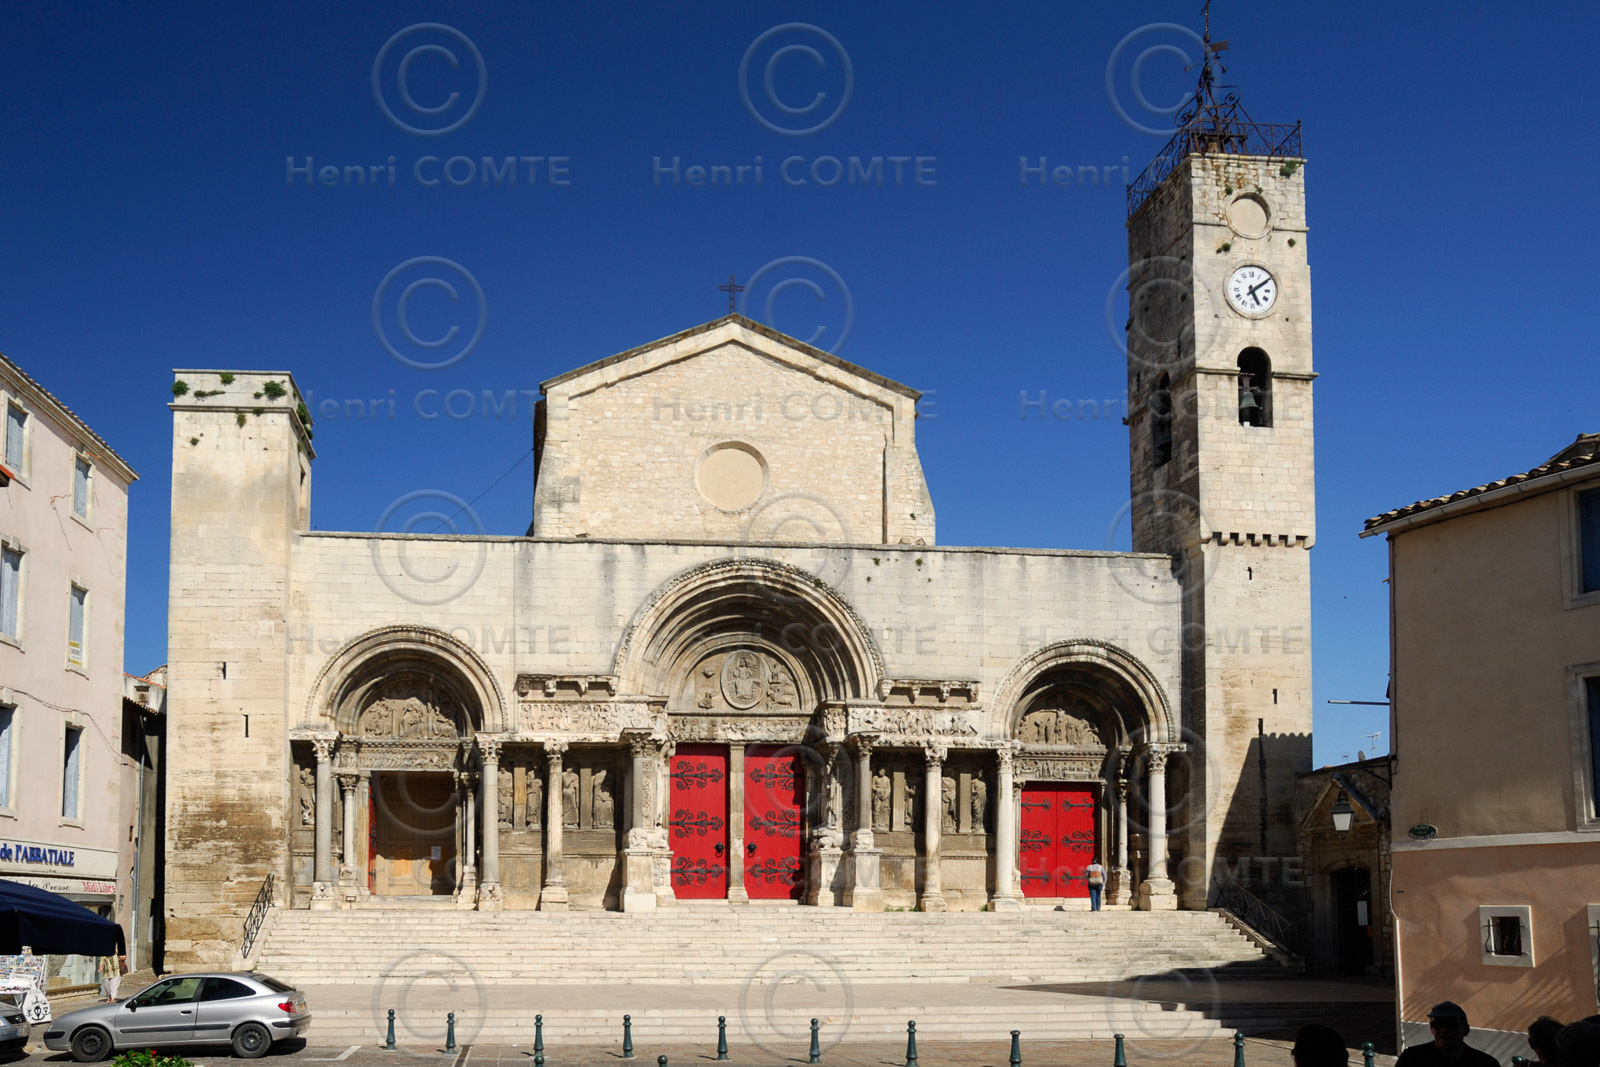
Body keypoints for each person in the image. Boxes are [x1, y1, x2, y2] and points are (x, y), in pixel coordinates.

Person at [1394, 1002, 1500, 1066]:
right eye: (1437, 1024)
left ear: (1466, 1030)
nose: (1443, 1030)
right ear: (1431, 1029)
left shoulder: (1485, 1063)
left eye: (1451, 1025)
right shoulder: (1411, 1058)